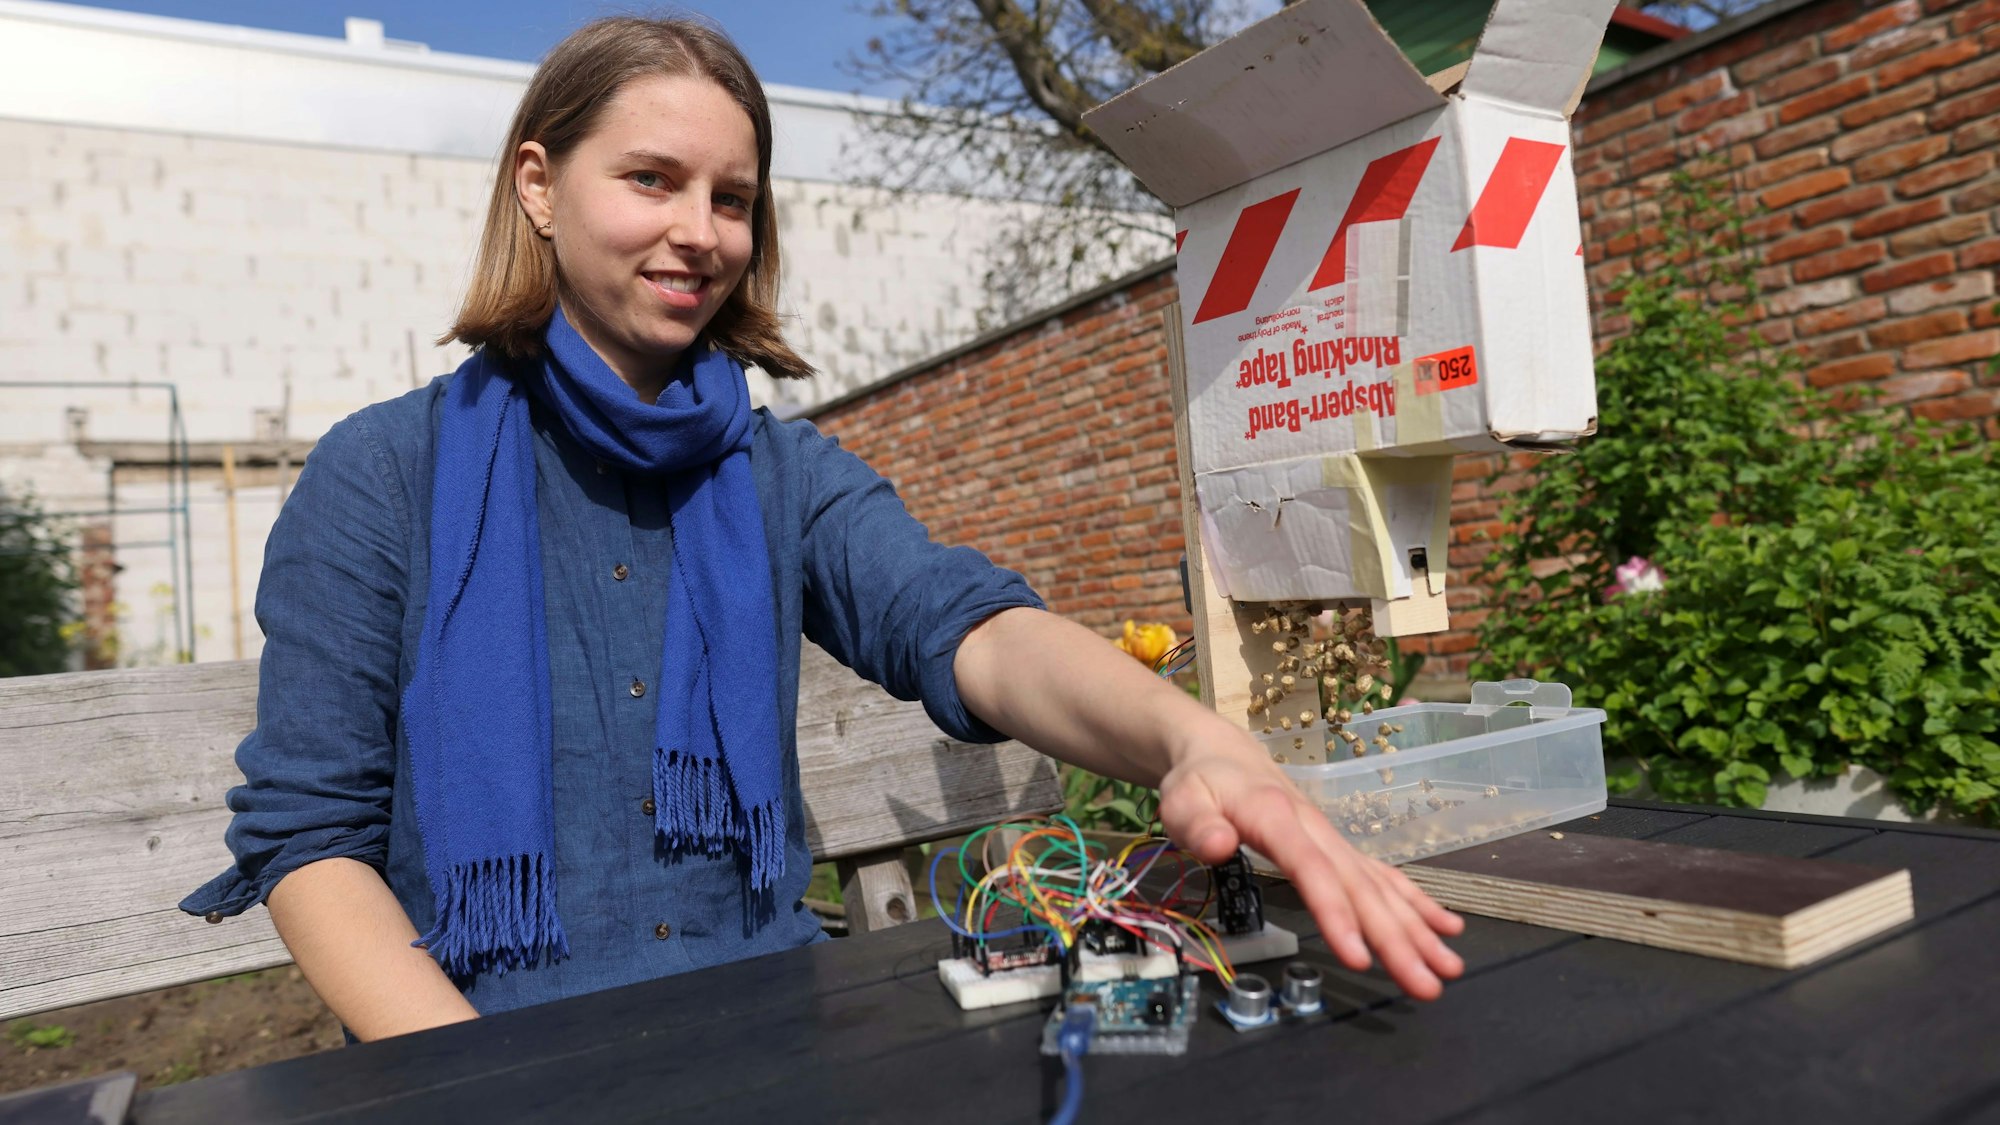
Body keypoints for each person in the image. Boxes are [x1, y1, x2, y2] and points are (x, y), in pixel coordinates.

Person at [183, 15, 1463, 1042]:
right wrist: (469, 1084)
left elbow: (965, 628)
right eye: (650, 179)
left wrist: (1189, 739)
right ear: (539, 185)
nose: (698, 232)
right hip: (485, 1050)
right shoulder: (382, 474)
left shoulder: (776, 471)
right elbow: (310, 839)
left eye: (731, 197)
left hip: (770, 1033)